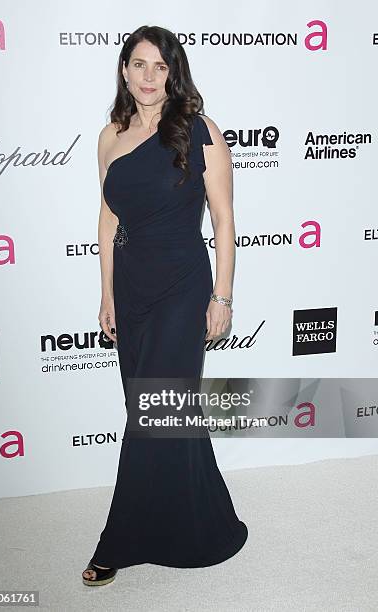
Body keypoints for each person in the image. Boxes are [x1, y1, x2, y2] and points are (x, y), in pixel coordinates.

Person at [82, 25, 248, 587]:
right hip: (131, 288)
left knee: (153, 410)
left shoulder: (199, 131)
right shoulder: (109, 136)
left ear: (173, 72)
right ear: (124, 71)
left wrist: (221, 297)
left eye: (159, 66)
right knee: (161, 412)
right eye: (138, 64)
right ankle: (203, 520)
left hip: (182, 285)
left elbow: (223, 221)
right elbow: (107, 219)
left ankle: (119, 540)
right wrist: (106, 292)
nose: (148, 76)